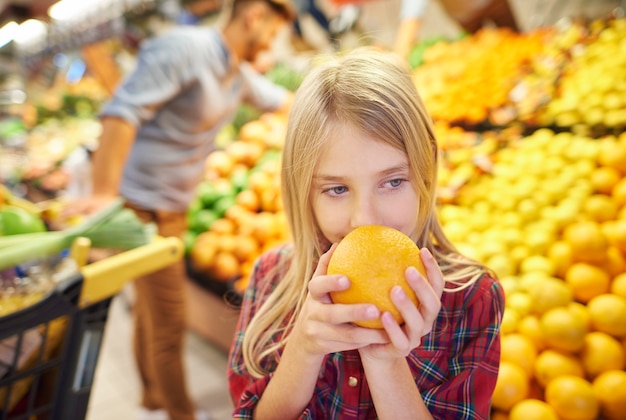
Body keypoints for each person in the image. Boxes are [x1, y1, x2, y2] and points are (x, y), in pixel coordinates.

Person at [227, 48, 505, 419]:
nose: (365, 218)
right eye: (337, 189)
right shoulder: (271, 277)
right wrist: (304, 348)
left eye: (392, 181)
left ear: (424, 175)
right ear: (303, 194)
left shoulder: (472, 298)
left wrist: (386, 361)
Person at [66, 0, 295, 419]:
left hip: (172, 206)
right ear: (255, 16)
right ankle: (180, 413)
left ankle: (152, 398)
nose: (272, 45)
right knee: (170, 322)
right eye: (274, 33)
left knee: (150, 314)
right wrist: (103, 194)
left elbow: (285, 101)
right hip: (142, 209)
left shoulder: (233, 73)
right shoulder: (185, 49)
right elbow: (121, 113)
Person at [394, 0, 520, 59]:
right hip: (466, 17)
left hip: (494, 3)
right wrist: (399, 56)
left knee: (517, 42)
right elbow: (412, 15)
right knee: (483, 55)